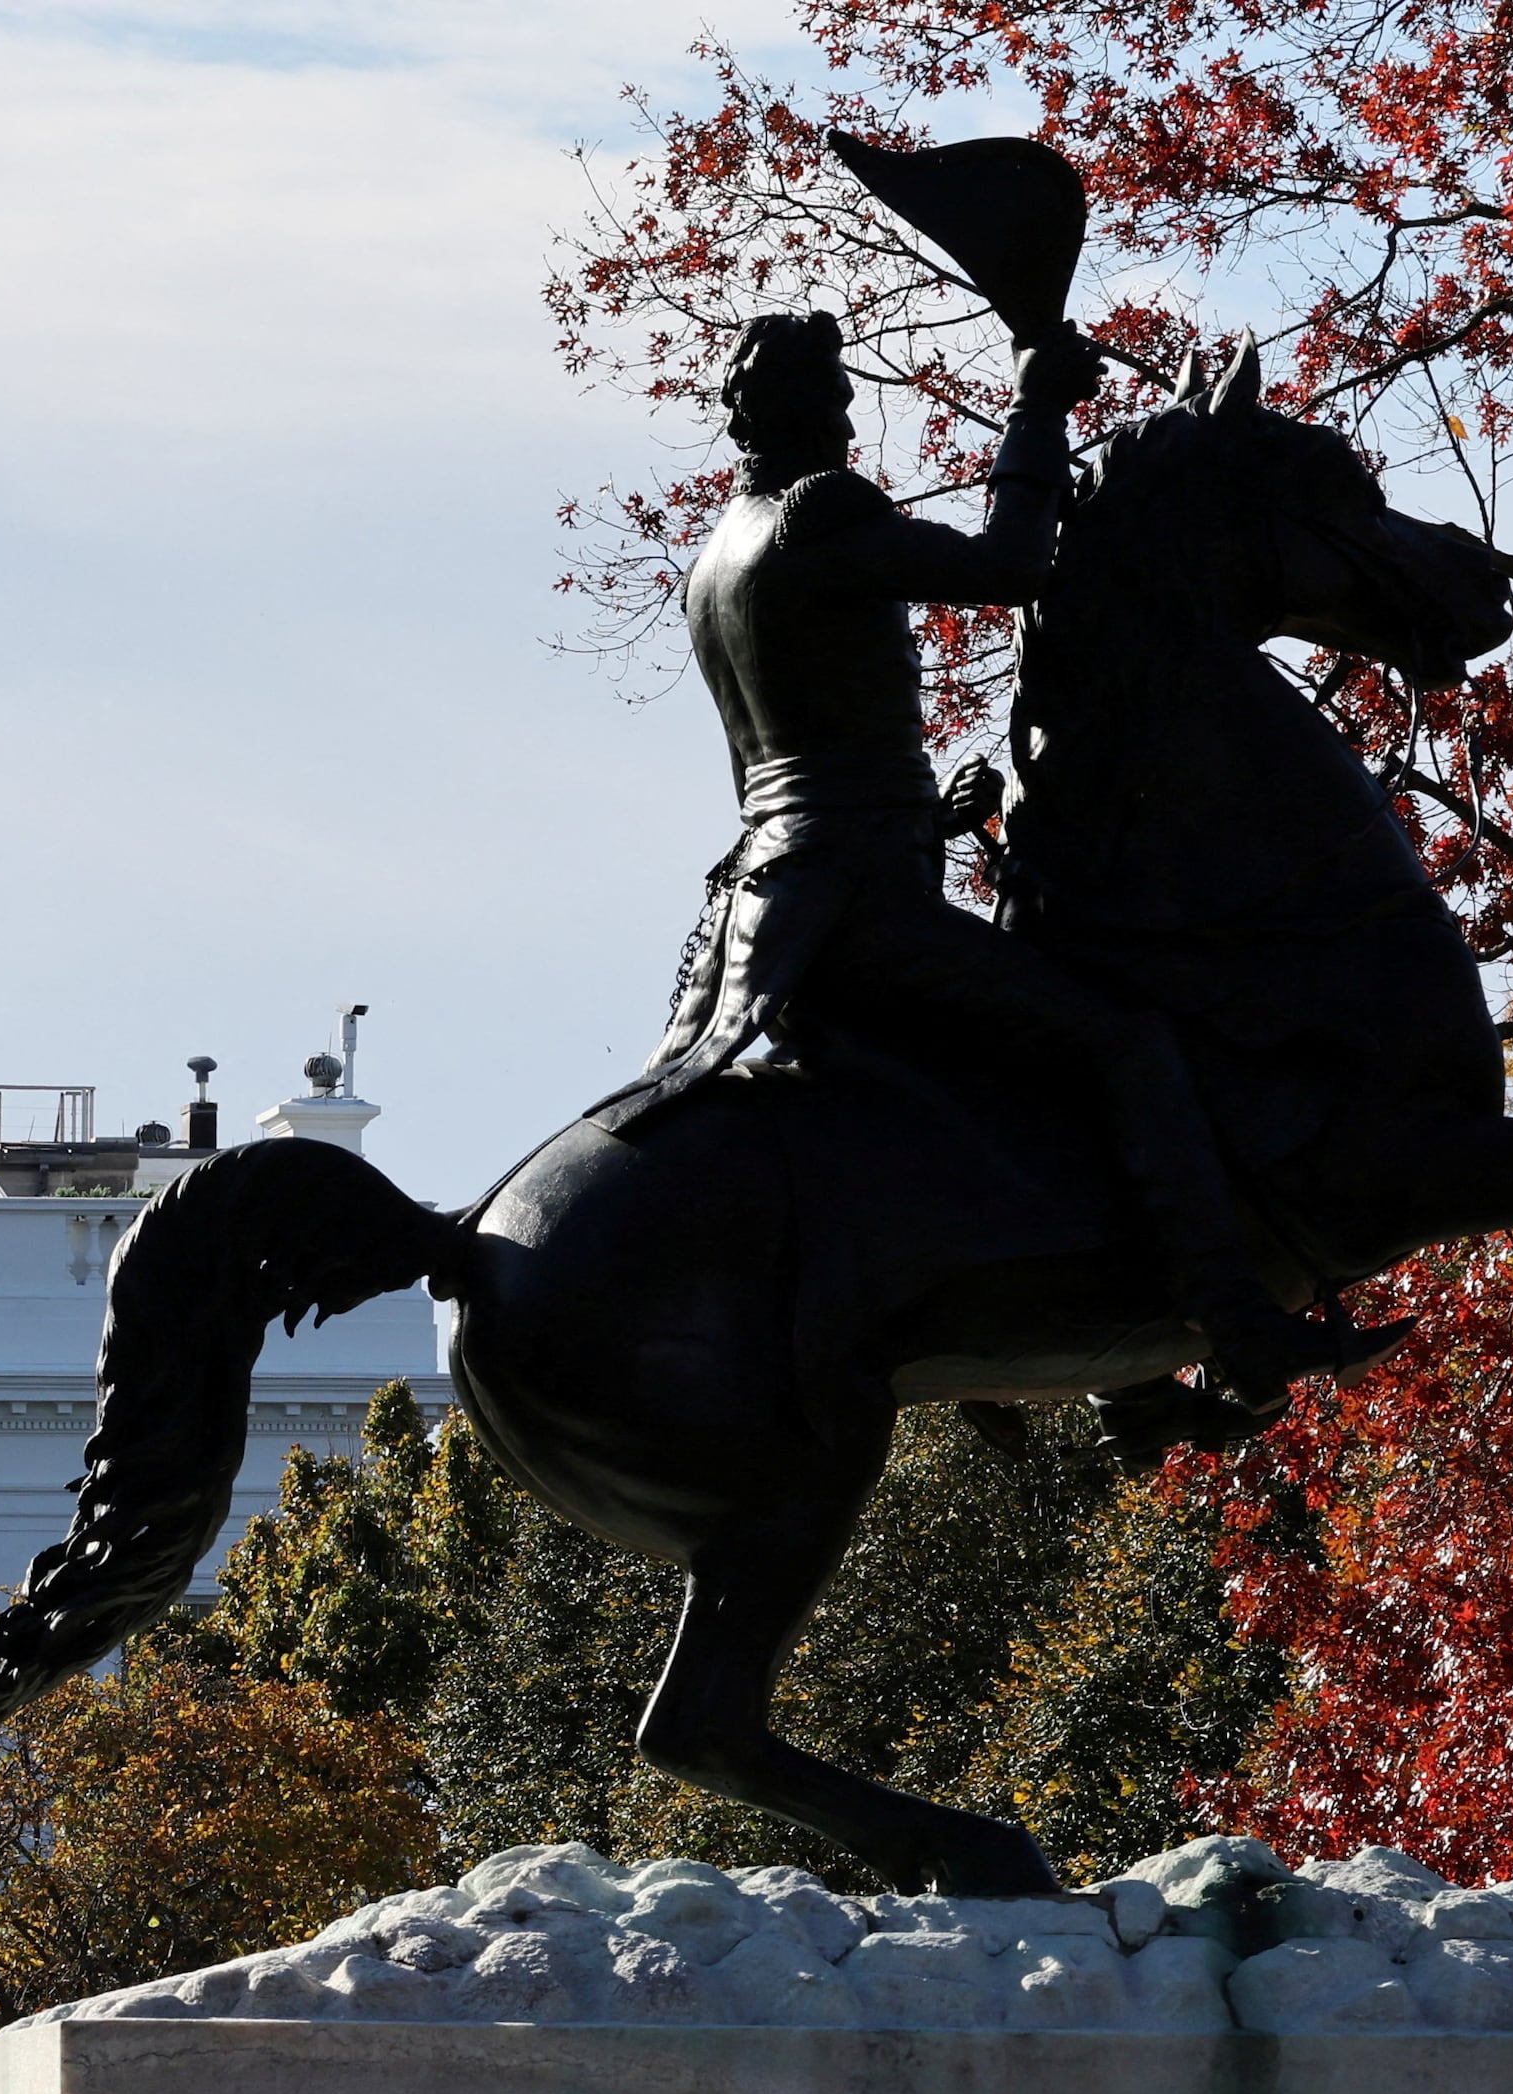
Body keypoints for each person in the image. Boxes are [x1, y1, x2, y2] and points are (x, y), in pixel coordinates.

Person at [597, 304, 1396, 1412]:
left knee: (1010, 1073)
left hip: (781, 896)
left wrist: (926, 822)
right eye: (836, 400)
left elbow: (783, 769)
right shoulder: (819, 512)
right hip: (858, 906)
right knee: (1123, 1041)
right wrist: (1035, 405)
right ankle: (1235, 1326)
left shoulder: (715, 559)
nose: (848, 423)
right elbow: (1010, 563)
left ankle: (1121, 1376)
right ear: (801, 410)